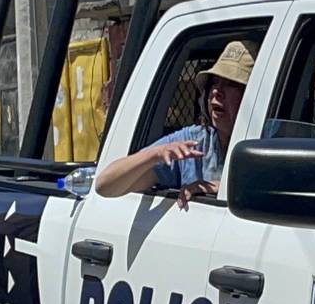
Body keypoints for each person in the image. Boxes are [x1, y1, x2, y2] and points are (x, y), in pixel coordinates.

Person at [94, 40, 258, 209]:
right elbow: (105, 185)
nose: (216, 91)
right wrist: (156, 153)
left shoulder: (270, 140)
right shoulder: (193, 141)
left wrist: (223, 188)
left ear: (255, 95)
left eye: (231, 84)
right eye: (214, 82)